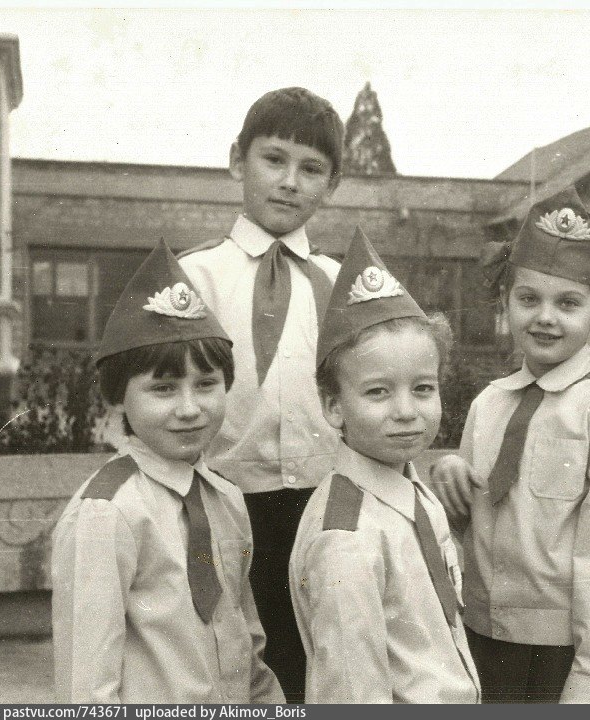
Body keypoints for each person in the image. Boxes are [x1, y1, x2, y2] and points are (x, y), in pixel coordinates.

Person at [431, 187, 590, 703]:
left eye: (567, 303)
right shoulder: (489, 404)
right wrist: (449, 480)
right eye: (528, 299)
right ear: (505, 301)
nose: (545, 317)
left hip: (566, 659)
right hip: (483, 642)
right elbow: (469, 530)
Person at [51, 240, 283, 704]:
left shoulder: (226, 498)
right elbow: (87, 683)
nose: (189, 408)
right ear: (117, 398)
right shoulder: (108, 512)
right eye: (163, 389)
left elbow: (246, 644)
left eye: (206, 384)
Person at [178, 87, 344, 702]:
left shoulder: (339, 282)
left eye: (311, 169)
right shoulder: (194, 276)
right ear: (236, 161)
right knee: (227, 662)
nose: (290, 182)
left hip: (320, 506)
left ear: (331, 185)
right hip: (222, 505)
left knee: (315, 661)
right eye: (274, 159)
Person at [288, 228, 481, 703]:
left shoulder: (417, 494)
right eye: (378, 392)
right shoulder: (347, 539)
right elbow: (351, 692)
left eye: (423, 388)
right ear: (334, 407)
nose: (406, 411)